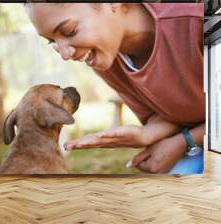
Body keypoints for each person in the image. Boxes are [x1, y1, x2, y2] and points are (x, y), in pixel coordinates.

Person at [26, 3, 205, 174]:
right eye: (52, 41)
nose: (64, 54)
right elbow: (167, 115)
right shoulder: (105, 60)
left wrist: (183, 142)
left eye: (69, 31)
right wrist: (147, 134)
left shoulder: (197, 24)